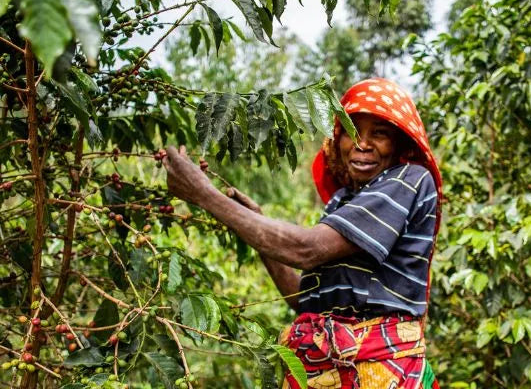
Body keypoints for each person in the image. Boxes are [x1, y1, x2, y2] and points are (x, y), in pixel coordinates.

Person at [164, 78, 442, 389]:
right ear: (337, 140)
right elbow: (305, 299)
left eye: (380, 133)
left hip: (379, 371)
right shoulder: (343, 201)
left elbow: (308, 249)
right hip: (322, 371)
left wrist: (205, 195)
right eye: (352, 131)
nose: (361, 143)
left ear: (401, 144)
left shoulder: (409, 180)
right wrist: (251, 221)